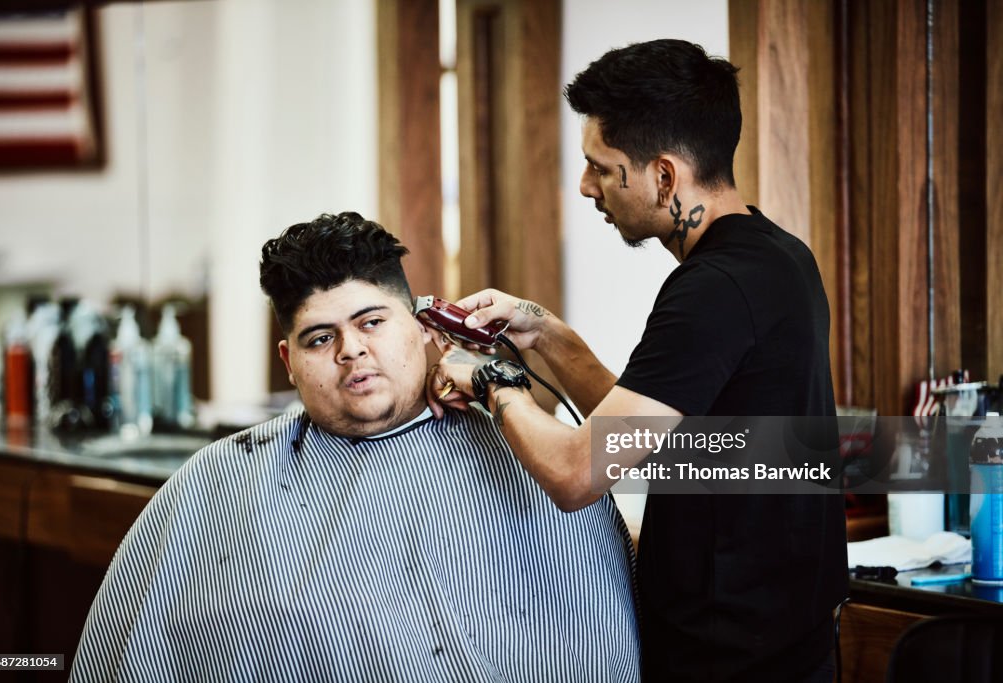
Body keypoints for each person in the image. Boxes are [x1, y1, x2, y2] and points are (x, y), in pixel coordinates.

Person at [428, 40, 848, 682]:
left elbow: (578, 473)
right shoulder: (777, 256)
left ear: (663, 175)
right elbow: (657, 437)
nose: (585, 185)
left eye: (602, 166)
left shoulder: (714, 290)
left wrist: (494, 380)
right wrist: (544, 332)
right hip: (779, 638)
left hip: (736, 658)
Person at [70, 212, 640, 682]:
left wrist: (515, 368)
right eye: (321, 338)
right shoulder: (220, 482)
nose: (351, 350)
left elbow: (699, 465)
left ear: (424, 329)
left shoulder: (525, 443)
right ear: (289, 363)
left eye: (372, 322)